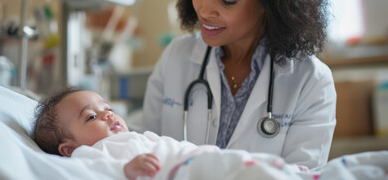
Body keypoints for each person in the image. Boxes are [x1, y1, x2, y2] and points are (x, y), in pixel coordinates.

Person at [142, 0, 336, 169]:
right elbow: (145, 151)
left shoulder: (311, 81)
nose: (204, 10)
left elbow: (303, 174)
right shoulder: (176, 57)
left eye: (227, 0)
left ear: (269, 1)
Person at [32, 87, 312, 180]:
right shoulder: (88, 153)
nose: (107, 114)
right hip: (182, 172)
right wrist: (125, 170)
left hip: (197, 159)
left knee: (240, 165)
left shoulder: (137, 137)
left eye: (106, 108)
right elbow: (92, 173)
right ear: (68, 149)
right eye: (91, 117)